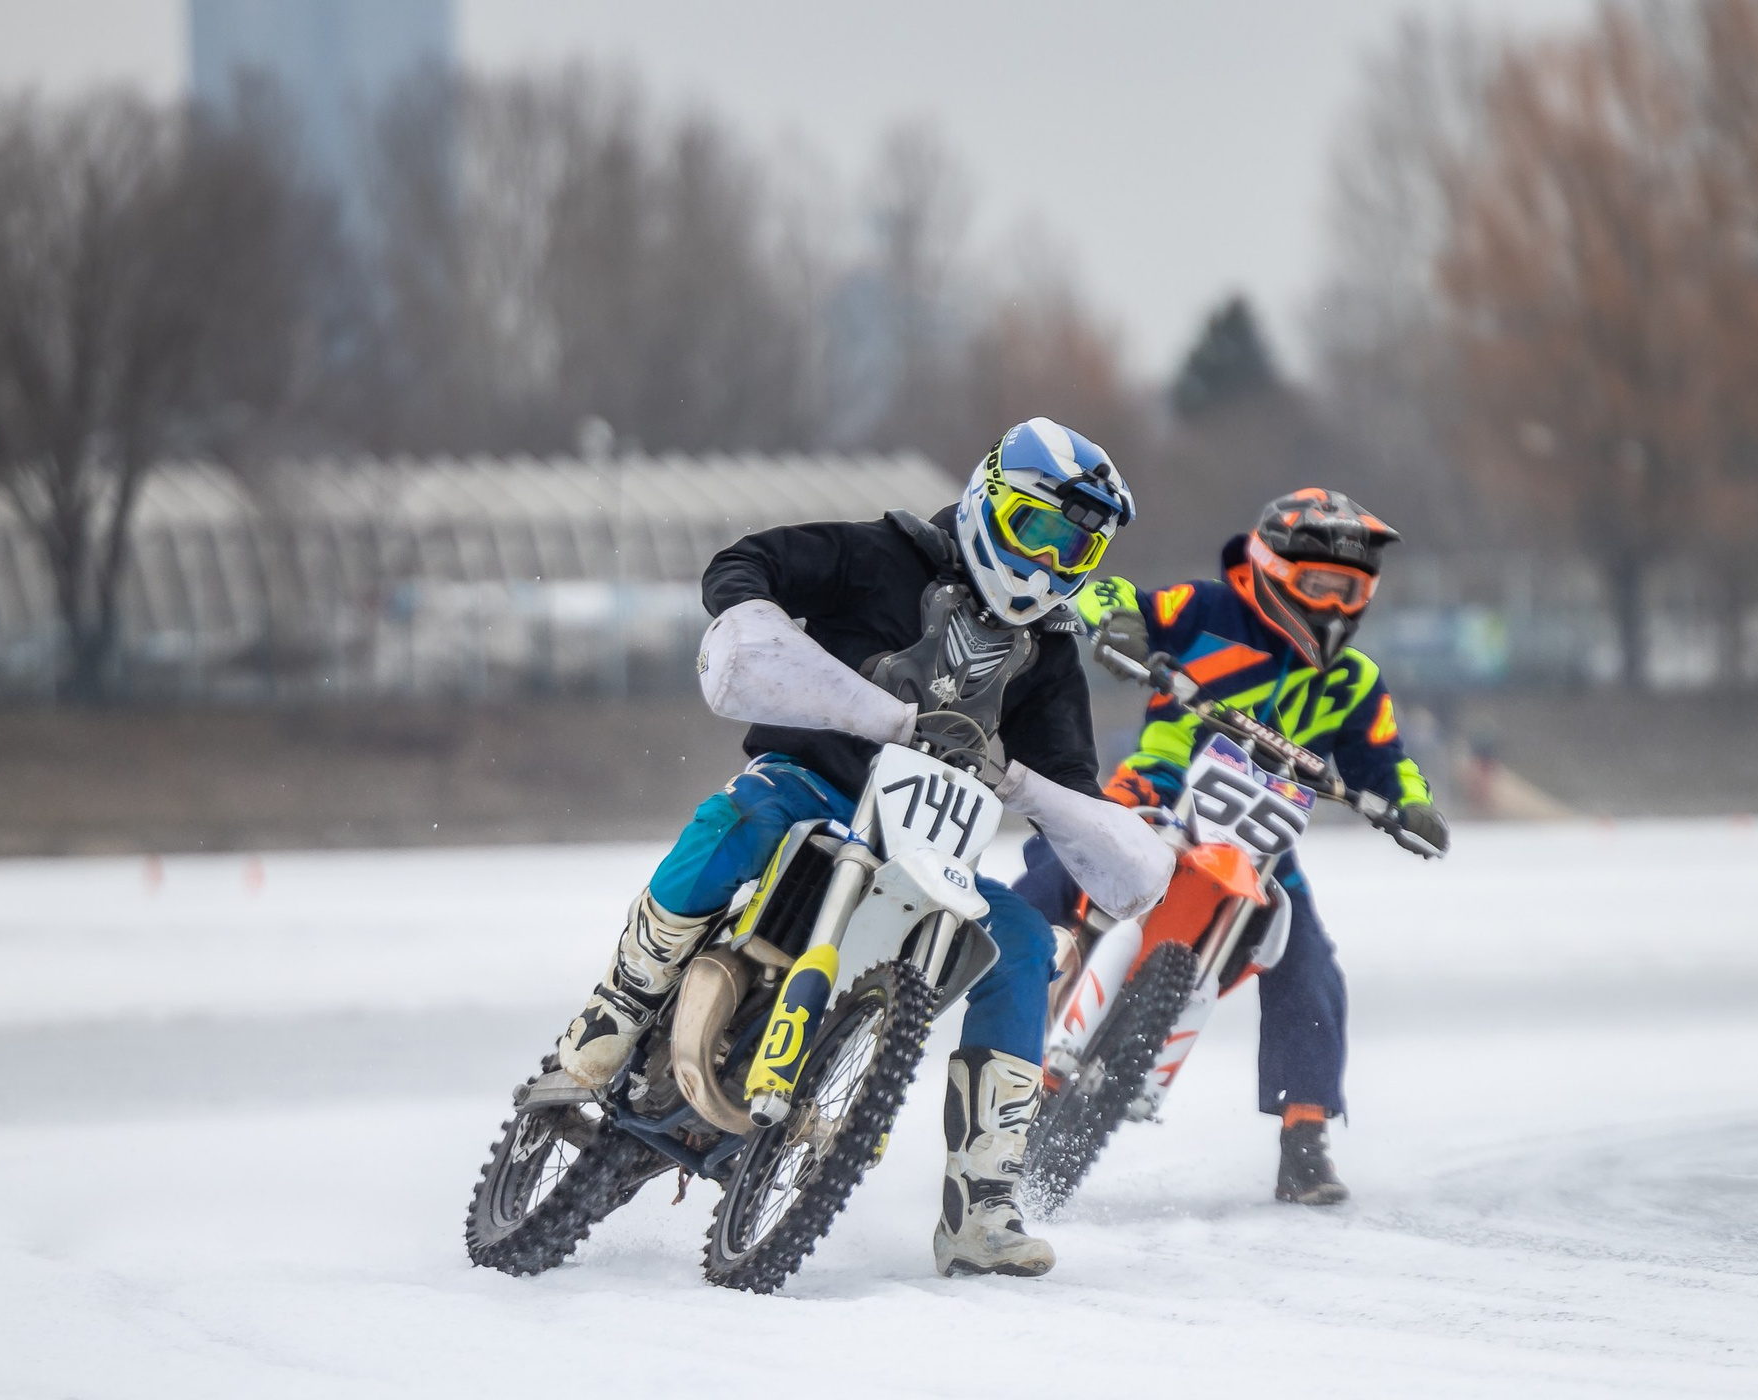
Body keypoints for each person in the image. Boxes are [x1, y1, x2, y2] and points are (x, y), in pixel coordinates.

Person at [555, 418, 1174, 1278]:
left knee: (1024, 942)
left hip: (929, 853)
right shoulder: (883, 553)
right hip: (813, 782)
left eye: (1074, 550)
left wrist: (1070, 835)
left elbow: (1069, 778)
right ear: (991, 496)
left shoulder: (1051, 651)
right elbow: (746, 561)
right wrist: (752, 614)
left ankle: (983, 1201)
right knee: (739, 819)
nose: (1046, 563)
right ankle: (620, 1008)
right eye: (1036, 529)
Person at [1016, 487, 1449, 1206]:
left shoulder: (1353, 681)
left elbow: (1384, 758)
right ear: (1272, 568)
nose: (1336, 604)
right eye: (1320, 584)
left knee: (1309, 961)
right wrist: (1118, 622)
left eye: (1351, 588)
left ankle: (1305, 1138)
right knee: (1055, 867)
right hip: (1154, 793)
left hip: (1261, 843)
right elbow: (1115, 592)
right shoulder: (1208, 610)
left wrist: (1412, 802)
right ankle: (968, 979)